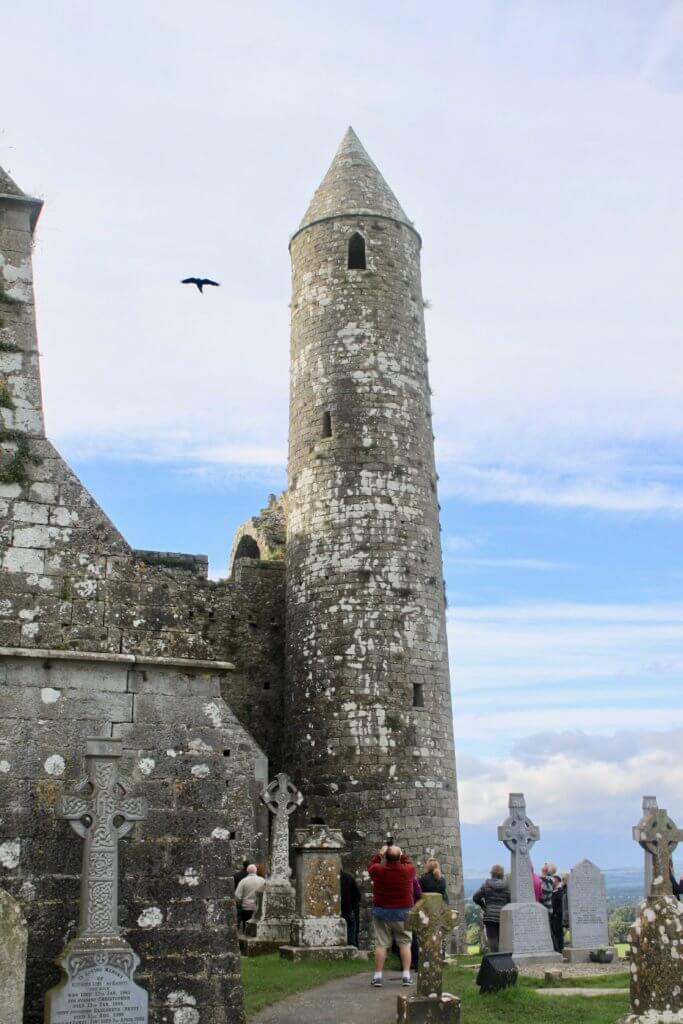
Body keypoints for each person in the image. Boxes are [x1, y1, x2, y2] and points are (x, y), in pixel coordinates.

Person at [368, 843, 416, 988]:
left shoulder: (378, 870)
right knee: (405, 943)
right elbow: (408, 863)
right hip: (403, 912)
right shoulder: (408, 870)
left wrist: (379, 854)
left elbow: (371, 866)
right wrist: (402, 855)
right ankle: (406, 976)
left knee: (381, 944)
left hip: (382, 912)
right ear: (399, 857)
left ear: (386, 857)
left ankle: (377, 977)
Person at [473, 864, 511, 953]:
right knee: (503, 939)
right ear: (502, 874)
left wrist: (484, 907)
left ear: (492, 873)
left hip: (490, 916)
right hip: (503, 916)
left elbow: (475, 897)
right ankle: (504, 959)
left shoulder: (486, 884)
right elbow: (511, 900)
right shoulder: (507, 886)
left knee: (492, 939)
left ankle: (495, 958)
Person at [234, 864, 265, 931]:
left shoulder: (243, 881)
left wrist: (240, 903)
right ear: (256, 871)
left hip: (246, 908)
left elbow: (237, 895)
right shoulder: (262, 881)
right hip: (257, 908)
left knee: (246, 928)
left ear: (247, 871)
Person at [340, 867, 361, 947]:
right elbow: (357, 895)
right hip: (347, 909)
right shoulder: (347, 877)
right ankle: (352, 944)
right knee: (352, 923)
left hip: (342, 909)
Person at [550, 874, 565, 952]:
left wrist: (555, 913)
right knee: (555, 933)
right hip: (554, 915)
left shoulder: (560, 890)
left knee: (558, 933)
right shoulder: (555, 890)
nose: (553, 882)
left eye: (554, 880)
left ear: (558, 881)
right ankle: (557, 948)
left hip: (557, 915)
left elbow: (558, 902)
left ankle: (560, 949)